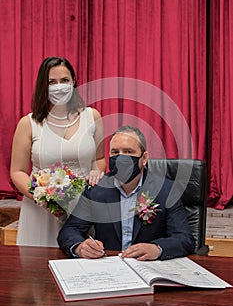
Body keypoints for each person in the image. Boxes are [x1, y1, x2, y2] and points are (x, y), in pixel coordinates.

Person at [58, 125, 195, 261]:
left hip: (148, 267)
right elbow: (69, 231)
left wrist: (157, 248)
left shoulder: (166, 189)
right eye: (115, 152)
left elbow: (184, 238)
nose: (121, 158)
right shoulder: (96, 190)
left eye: (128, 152)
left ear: (144, 158)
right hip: (108, 267)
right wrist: (79, 247)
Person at [10, 56, 106, 247]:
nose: (59, 87)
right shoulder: (28, 123)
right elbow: (17, 171)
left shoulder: (92, 116)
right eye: (52, 82)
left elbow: (100, 158)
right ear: (42, 86)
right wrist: (43, 198)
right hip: (41, 210)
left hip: (83, 205)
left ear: (73, 82)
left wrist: (97, 172)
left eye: (64, 81)